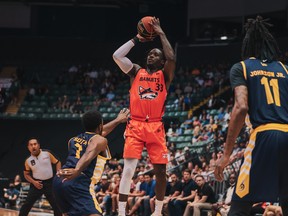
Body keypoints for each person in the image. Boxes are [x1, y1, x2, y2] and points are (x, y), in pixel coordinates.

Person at [214, 16, 288, 215]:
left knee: (240, 204)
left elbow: (241, 106)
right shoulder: (284, 69)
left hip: (264, 135)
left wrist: (227, 154)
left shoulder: (242, 67)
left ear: (247, 45)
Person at [112, 17, 175, 216]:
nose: (151, 56)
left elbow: (172, 58)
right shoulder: (136, 71)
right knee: (129, 169)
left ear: (162, 61)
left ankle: (157, 212)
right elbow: (116, 55)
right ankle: (121, 212)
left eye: (156, 55)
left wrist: (161, 32)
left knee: (161, 173)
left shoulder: (165, 75)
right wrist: (137, 39)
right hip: (136, 125)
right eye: (150, 53)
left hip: (156, 127)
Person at [53, 109, 130, 216]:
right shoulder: (99, 141)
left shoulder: (73, 140)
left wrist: (117, 120)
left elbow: (100, 134)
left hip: (59, 180)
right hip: (78, 180)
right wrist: (77, 170)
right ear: (100, 125)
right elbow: (89, 152)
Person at [19, 138, 62, 216]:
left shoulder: (47, 153)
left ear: (38, 145)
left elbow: (58, 162)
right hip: (36, 184)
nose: (33, 146)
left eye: (35, 144)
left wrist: (58, 174)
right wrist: (34, 182)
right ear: (28, 147)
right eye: (31, 145)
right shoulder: (28, 160)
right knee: (27, 205)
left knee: (57, 205)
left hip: (50, 183)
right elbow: (26, 174)